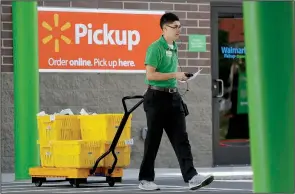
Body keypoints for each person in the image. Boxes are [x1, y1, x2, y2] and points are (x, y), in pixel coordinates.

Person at [138, 12, 214, 191]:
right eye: (174, 27)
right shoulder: (155, 48)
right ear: (164, 29)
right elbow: (150, 75)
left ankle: (192, 177)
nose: (179, 29)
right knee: (153, 140)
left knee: (182, 138)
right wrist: (174, 74)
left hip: (173, 97)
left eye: (180, 26)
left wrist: (179, 79)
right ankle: (145, 180)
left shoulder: (174, 46)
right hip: (156, 98)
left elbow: (168, 74)